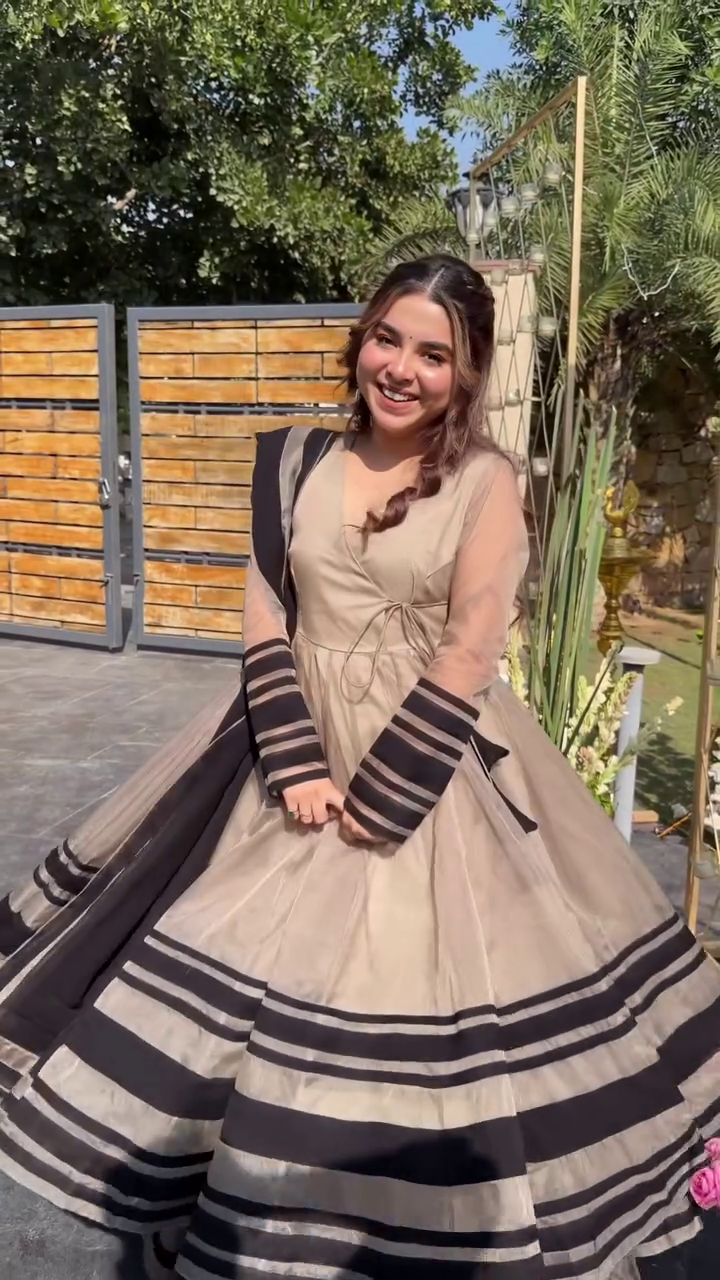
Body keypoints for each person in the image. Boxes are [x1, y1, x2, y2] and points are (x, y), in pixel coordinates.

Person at [0, 254, 718, 1280]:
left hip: (428, 767)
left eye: (434, 354)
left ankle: (371, 1223)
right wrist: (296, 763)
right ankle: (214, 1198)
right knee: (235, 983)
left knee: (407, 991)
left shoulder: (487, 482)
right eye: (388, 338)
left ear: (466, 373)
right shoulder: (295, 460)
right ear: (361, 338)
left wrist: (380, 798)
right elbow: (265, 620)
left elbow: (471, 647)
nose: (402, 369)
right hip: (276, 751)